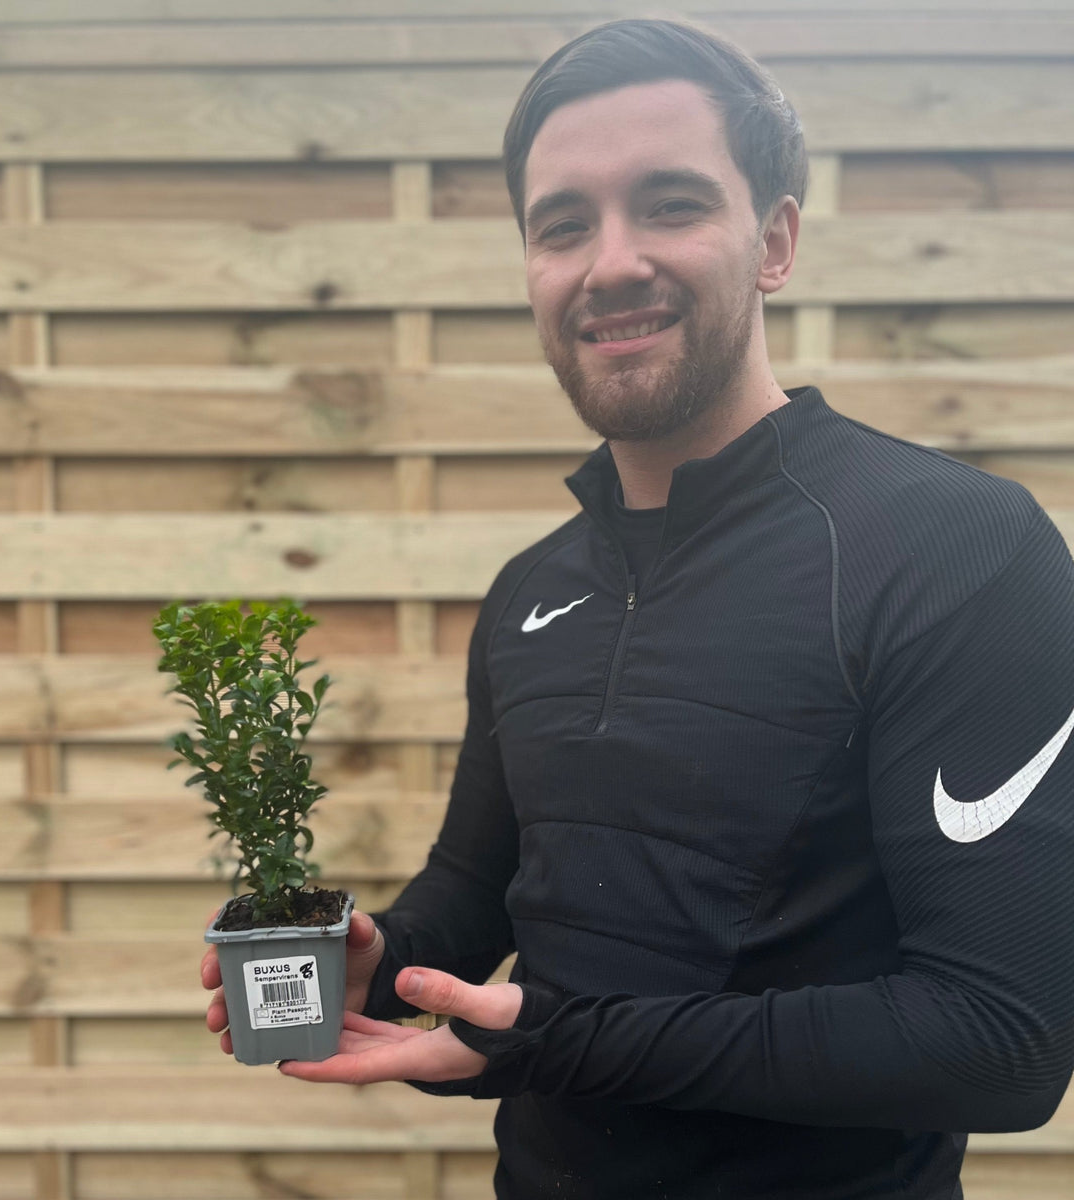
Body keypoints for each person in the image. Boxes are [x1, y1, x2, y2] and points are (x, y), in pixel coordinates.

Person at [201, 18, 1074, 1199]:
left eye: (668, 205)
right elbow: (476, 894)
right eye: (563, 224)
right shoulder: (531, 593)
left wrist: (548, 1037)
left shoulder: (953, 547)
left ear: (773, 241)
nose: (609, 261)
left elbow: (1001, 1042)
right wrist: (380, 966)